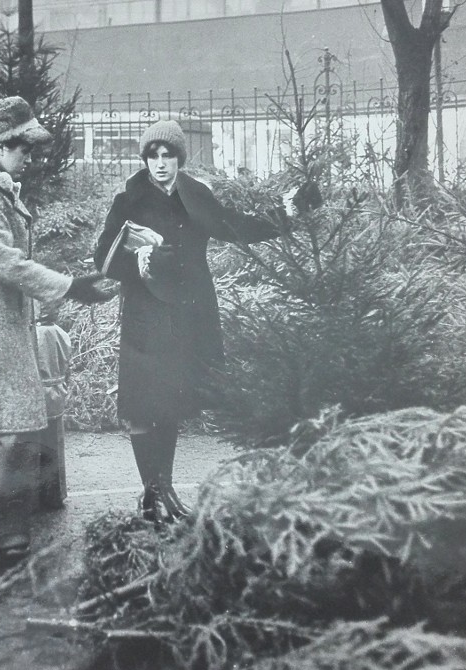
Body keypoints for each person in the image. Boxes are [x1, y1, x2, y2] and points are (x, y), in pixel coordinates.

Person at [94, 119, 320, 523]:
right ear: (144, 158)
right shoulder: (128, 200)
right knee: (144, 404)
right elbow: (103, 260)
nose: (160, 164)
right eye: (153, 156)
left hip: (187, 313)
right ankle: (151, 496)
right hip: (146, 315)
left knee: (171, 404)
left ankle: (163, 491)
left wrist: (288, 212)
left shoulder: (196, 195)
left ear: (180, 158)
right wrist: (140, 261)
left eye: (168, 156)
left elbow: (236, 226)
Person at [0, 96, 110, 562]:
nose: (29, 158)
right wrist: (71, 286)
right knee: (13, 425)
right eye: (22, 148)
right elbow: (5, 261)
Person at [33, 302, 72, 510]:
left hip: (37, 392)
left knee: (33, 444)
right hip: (57, 392)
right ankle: (55, 496)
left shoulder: (32, 334)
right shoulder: (62, 333)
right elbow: (67, 366)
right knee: (54, 446)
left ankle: (34, 496)